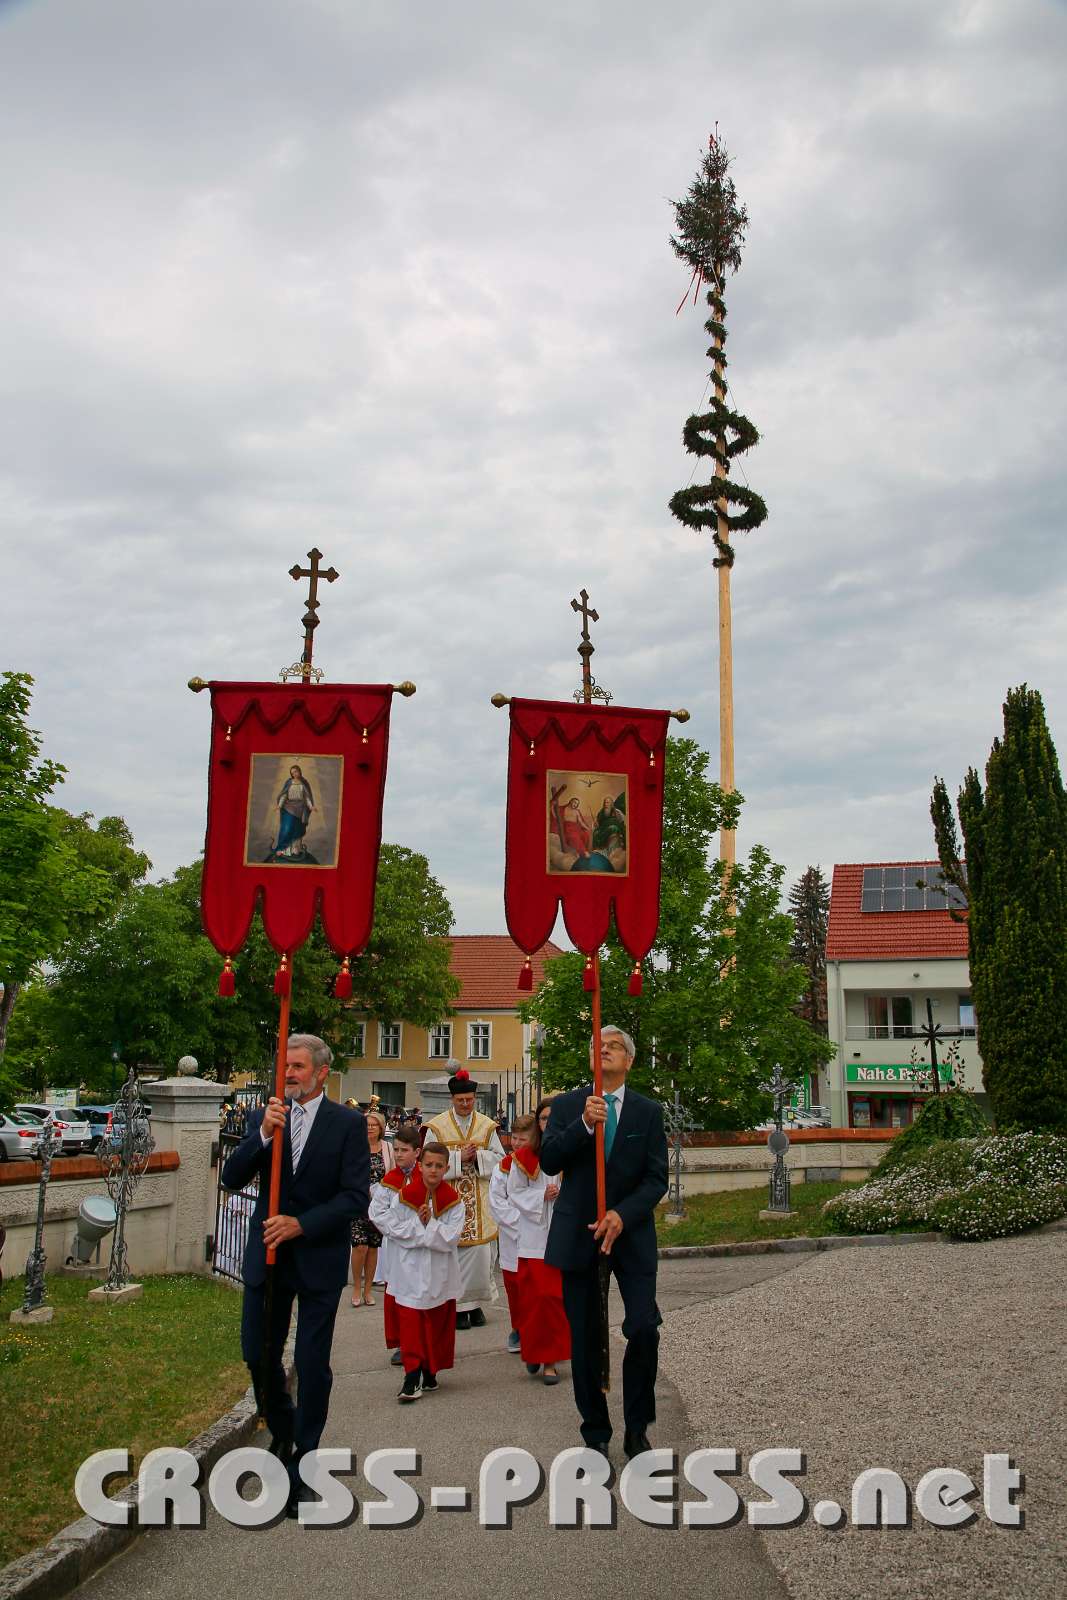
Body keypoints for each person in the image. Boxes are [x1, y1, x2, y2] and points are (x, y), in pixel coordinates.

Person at [221, 1033, 369, 1514]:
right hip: (267, 1258)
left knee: (311, 1360)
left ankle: (305, 1459)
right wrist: (263, 1135)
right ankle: (283, 1432)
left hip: (317, 1258)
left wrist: (301, 1224)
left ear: (321, 1073)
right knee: (258, 1355)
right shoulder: (266, 1117)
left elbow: (355, 1197)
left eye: (298, 1067)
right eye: (285, 1065)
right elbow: (230, 1178)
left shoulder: (347, 1124)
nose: (288, 1074)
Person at [540, 1026, 667, 1460]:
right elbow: (549, 1159)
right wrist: (582, 1125)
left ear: (629, 1060)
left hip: (630, 1235)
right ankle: (595, 1429)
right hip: (579, 1233)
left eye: (614, 1046)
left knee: (644, 1327)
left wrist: (622, 1214)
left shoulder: (647, 1112)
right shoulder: (569, 1105)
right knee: (586, 1337)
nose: (605, 1050)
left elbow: (656, 1178)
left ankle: (638, 1426)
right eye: (598, 1045)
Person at [370, 1140, 463, 1402]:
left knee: (436, 1323)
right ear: (420, 1166)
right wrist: (418, 1229)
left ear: (446, 1169)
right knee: (411, 1323)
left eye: (439, 1166)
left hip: (439, 1271)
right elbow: (388, 1224)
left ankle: (430, 1370)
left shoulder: (454, 1202)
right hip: (408, 1269)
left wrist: (429, 1223)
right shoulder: (404, 1197)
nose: (433, 1170)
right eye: (429, 1165)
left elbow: (451, 1237)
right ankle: (411, 1376)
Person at [424, 1066, 504, 1329]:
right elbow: (427, 1162)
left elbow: (501, 1160)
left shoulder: (487, 1126)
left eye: (469, 1100)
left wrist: (478, 1157)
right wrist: (459, 1158)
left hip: (479, 1201)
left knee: (481, 1256)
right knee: (453, 1256)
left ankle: (476, 1305)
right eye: (461, 1100)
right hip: (449, 1201)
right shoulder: (437, 1127)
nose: (466, 1104)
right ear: (452, 1099)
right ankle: (458, 1308)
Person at [506, 1103, 571, 1386]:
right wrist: (541, 1195)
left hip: (562, 1234)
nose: (548, 1122)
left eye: (553, 1117)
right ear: (537, 1123)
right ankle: (534, 1351)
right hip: (533, 1237)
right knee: (534, 1300)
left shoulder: (570, 1151)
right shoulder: (524, 1157)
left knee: (554, 1300)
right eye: (543, 1118)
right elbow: (514, 1191)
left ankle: (550, 1361)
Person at [374, 1123, 423, 1366]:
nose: (399, 1154)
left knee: (420, 1293)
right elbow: (377, 1212)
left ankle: (421, 1340)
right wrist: (399, 1231)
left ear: (417, 1151)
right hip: (395, 1246)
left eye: (404, 1150)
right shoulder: (389, 1180)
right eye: (396, 1150)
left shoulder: (427, 1177)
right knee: (396, 1293)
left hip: (421, 1246)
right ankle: (402, 1343)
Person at [349, 1108, 394, 1306]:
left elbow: (392, 1172)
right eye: (367, 1125)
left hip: (379, 1204)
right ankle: (356, 1287)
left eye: (374, 1125)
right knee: (360, 1246)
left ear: (381, 1128)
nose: (370, 1128)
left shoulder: (388, 1148)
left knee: (374, 1247)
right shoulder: (355, 1146)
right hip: (359, 1202)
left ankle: (368, 1290)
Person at [487, 1131, 524, 1355]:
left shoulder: (547, 1163)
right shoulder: (503, 1167)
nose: (517, 1143)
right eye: (515, 1138)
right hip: (513, 1235)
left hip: (541, 1236)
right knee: (514, 1286)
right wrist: (522, 1224)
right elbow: (496, 1202)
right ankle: (518, 1328)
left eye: (523, 1139)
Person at [268, 764, 315, 861]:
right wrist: (279, 805)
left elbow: (307, 797)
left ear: (299, 771)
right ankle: (282, 849)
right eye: (292, 773)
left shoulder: (304, 783)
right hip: (288, 808)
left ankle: (294, 850)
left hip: (300, 809)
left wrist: (311, 806)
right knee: (287, 828)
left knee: (297, 829)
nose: (294, 774)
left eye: (296, 771)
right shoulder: (289, 782)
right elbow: (284, 795)